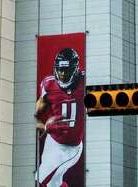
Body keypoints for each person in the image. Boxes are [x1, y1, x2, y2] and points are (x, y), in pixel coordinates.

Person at [34, 47, 84, 187]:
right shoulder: (48, 84)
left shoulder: (85, 82)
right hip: (52, 141)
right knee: (53, 184)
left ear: (75, 70)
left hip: (70, 148)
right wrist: (45, 126)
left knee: (41, 179)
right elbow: (34, 117)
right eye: (60, 69)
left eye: (66, 70)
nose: (62, 73)